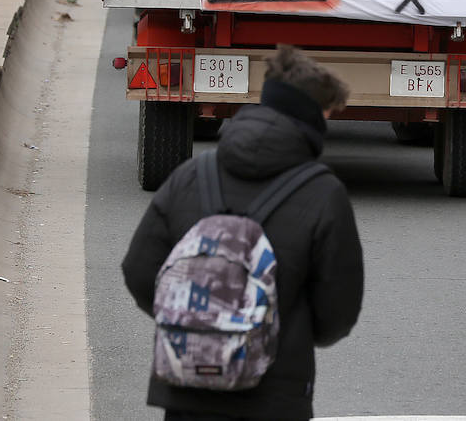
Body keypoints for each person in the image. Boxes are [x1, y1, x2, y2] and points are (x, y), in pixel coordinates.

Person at [121, 46, 365, 421]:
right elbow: (338, 312)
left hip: (187, 390)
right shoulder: (322, 193)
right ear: (312, 115)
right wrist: (282, 333)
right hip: (274, 394)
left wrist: (198, 324)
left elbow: (139, 270)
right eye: (328, 113)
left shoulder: (191, 175)